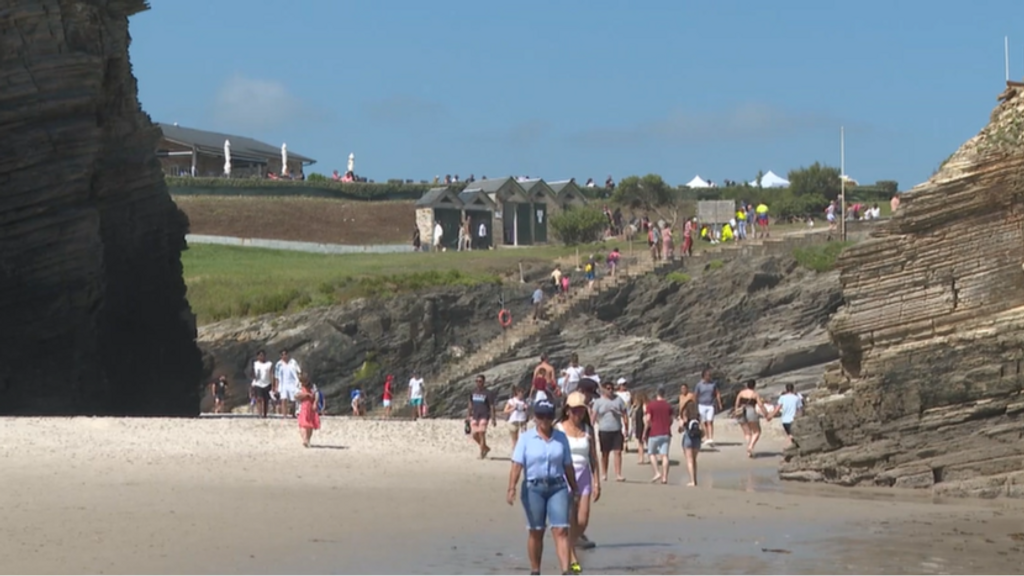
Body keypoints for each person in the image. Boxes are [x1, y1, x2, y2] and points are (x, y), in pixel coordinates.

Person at [506, 399, 578, 576]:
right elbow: (517, 464)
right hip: (533, 488)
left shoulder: (561, 438)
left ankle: (566, 571)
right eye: (540, 416)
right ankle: (535, 570)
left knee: (561, 529)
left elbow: (568, 465)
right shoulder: (526, 438)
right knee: (536, 531)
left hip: (558, 486)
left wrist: (574, 488)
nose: (544, 420)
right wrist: (511, 488)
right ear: (534, 417)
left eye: (548, 416)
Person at [556, 392, 600, 574]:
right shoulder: (558, 428)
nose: (578, 414)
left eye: (581, 410)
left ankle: (571, 544)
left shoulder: (588, 430)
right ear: (567, 410)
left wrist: (597, 481)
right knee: (568, 518)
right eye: (575, 410)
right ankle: (572, 556)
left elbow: (593, 456)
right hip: (565, 476)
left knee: (582, 521)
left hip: (584, 476)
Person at [592, 382, 628, 482]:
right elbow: (594, 416)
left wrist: (626, 428)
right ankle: (604, 473)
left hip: (617, 429)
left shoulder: (618, 400)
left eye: (612, 388)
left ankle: (618, 474)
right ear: (604, 389)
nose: (610, 390)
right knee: (605, 453)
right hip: (604, 430)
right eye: (608, 388)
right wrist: (590, 427)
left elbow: (625, 414)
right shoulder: (598, 402)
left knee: (618, 452)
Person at [644, 386, 674, 484]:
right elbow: (671, 420)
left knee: (651, 453)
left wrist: (645, 431)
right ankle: (665, 477)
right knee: (665, 455)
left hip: (654, 432)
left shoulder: (651, 405)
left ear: (656, 394)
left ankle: (657, 472)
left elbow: (648, 419)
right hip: (666, 432)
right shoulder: (668, 406)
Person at [735, 379, 770, 458]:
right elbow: (760, 405)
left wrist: (736, 412)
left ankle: (749, 451)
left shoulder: (741, 393)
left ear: (747, 385)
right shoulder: (755, 394)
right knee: (757, 431)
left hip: (741, 411)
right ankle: (750, 447)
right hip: (750, 410)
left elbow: (737, 403)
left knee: (747, 433)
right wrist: (766, 414)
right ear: (754, 386)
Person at [468, 374, 496, 459]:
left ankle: (481, 453)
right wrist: (468, 415)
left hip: (484, 415)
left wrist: (493, 418)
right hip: (475, 415)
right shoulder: (473, 392)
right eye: (476, 381)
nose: (478, 383)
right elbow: (470, 404)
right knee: (474, 435)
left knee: (481, 433)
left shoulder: (488, 393)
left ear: (483, 382)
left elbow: (491, 406)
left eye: (480, 381)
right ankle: (485, 448)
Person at [678, 394, 702, 486]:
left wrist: (681, 427)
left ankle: (692, 481)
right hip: (697, 439)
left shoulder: (685, 414)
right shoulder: (698, 416)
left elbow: (681, 428)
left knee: (689, 460)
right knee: (694, 460)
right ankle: (695, 479)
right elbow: (703, 430)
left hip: (688, 437)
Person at [694, 370, 722, 447]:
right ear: (704, 376)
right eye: (707, 375)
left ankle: (710, 438)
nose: (709, 376)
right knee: (704, 422)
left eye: (710, 375)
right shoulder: (699, 385)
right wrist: (695, 406)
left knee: (710, 421)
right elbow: (696, 395)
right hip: (701, 405)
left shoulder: (713, 384)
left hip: (710, 405)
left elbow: (717, 393)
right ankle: (706, 437)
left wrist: (719, 403)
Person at [274, 349, 301, 417]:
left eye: (285, 354)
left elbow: (298, 372)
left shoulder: (293, 362)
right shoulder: (278, 364)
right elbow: (276, 377)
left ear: (288, 354)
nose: (284, 356)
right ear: (280, 356)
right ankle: (284, 415)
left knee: (293, 400)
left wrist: (300, 382)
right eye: (282, 354)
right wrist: (276, 387)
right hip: (283, 384)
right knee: (284, 399)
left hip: (293, 383)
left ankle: (293, 414)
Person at [296, 375, 321, 448]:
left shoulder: (313, 386)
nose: (304, 384)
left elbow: (317, 394)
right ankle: (304, 439)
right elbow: (296, 395)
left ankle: (308, 439)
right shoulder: (298, 385)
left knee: (310, 425)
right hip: (301, 407)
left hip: (311, 408)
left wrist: (315, 402)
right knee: (302, 424)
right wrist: (305, 395)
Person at [250, 350, 273, 418]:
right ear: (257, 356)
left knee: (266, 400)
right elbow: (252, 374)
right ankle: (260, 414)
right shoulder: (255, 364)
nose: (261, 357)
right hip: (258, 383)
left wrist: (273, 384)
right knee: (259, 398)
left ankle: (265, 414)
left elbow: (271, 374)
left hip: (267, 383)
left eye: (263, 355)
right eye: (260, 355)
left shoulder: (269, 364)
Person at [631, 391, 649, 464]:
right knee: (641, 443)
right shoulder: (637, 406)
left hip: (643, 425)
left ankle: (643, 458)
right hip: (639, 425)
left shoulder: (644, 406)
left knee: (644, 442)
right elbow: (631, 414)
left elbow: (645, 416)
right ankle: (642, 458)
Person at [615, 378, 632, 447]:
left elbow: (631, 402)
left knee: (628, 428)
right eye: (623, 385)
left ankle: (626, 442)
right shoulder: (616, 394)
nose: (624, 386)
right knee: (621, 428)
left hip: (628, 413)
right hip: (619, 414)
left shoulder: (628, 393)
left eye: (625, 384)